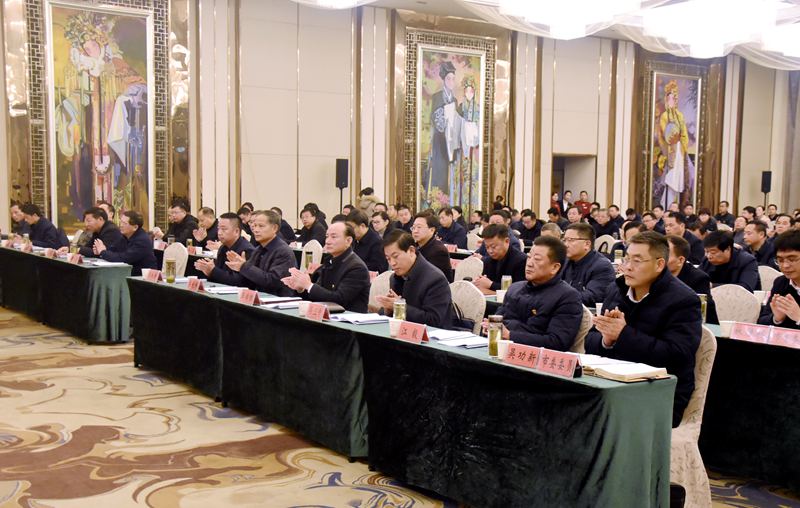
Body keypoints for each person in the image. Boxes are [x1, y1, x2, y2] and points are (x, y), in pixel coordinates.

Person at [586, 231, 701, 428]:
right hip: (613, 384)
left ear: (659, 264)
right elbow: (589, 341)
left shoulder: (683, 300)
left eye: (637, 261)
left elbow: (677, 354)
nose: (628, 266)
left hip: (658, 393)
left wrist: (623, 335)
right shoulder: (617, 289)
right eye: (627, 259)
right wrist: (607, 340)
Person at [489, 235, 583, 350]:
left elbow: (557, 342)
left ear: (554, 267)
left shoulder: (567, 297)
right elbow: (498, 320)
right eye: (529, 257)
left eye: (537, 259)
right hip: (502, 350)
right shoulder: (514, 288)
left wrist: (510, 335)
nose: (529, 263)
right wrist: (490, 326)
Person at [282, 222, 370, 312]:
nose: (327, 241)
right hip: (324, 315)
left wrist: (308, 285)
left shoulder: (357, 268)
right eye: (327, 236)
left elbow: (339, 299)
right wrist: (301, 288)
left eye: (333, 237)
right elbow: (318, 295)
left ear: (348, 240)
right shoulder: (329, 261)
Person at [375, 230, 453, 328]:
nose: (392, 263)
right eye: (388, 259)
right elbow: (394, 317)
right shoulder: (395, 278)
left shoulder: (435, 279)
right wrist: (388, 309)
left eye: (395, 256)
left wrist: (399, 306)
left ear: (411, 251)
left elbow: (433, 320)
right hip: (402, 332)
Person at [221, 210, 296, 296]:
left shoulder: (283, 251)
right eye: (254, 226)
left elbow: (273, 281)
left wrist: (244, 266)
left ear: (274, 228)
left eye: (261, 226)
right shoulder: (258, 250)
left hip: (277, 300)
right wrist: (239, 269)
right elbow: (249, 281)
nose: (255, 230)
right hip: (258, 297)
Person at [561, 223, 616, 307]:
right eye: (564, 240)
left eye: (571, 240)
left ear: (587, 244)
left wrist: (559, 297)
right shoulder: (566, 261)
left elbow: (592, 297)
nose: (565, 245)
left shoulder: (602, 266)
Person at [667, 234, 717, 324]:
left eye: (665, 255)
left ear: (680, 260)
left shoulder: (698, 279)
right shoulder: (653, 274)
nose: (659, 259)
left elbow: (701, 315)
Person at [194, 212, 255, 285]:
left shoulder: (247, 250)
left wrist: (213, 270)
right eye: (218, 228)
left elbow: (240, 282)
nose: (219, 233)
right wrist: (209, 272)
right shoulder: (223, 247)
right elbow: (219, 277)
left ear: (236, 231)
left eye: (224, 229)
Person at [93, 211, 158, 276]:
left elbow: (124, 258)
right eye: (121, 222)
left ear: (135, 227)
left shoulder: (142, 240)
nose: (121, 225)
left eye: (124, 223)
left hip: (141, 277)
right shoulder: (124, 236)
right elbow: (113, 250)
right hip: (127, 273)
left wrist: (103, 252)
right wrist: (101, 251)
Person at [759, 230, 800, 329]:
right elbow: (761, 321)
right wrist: (777, 319)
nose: (785, 266)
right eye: (780, 260)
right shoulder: (781, 282)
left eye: (792, 259)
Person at [471, 224, 527, 295]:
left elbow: (519, 290)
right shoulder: (488, 261)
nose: (490, 251)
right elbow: (484, 286)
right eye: (487, 247)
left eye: (493, 247)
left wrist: (491, 284)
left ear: (507, 241)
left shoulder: (521, 260)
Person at [411, 212, 452, 282]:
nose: (415, 231)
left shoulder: (439, 251)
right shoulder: (413, 247)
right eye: (413, 227)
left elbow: (428, 278)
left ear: (432, 230)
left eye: (419, 227)